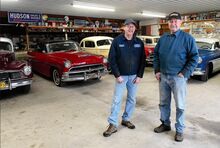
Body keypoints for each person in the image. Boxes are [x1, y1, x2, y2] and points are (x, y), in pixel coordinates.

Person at [153, 12, 199, 142]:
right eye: (171, 21)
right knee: (163, 103)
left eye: (176, 21)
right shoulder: (163, 38)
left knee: (180, 105)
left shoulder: (187, 38)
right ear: (168, 23)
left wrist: (185, 73)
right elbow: (156, 54)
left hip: (178, 78)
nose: (173, 23)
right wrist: (157, 70)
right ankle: (165, 124)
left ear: (180, 23)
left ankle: (179, 130)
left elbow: (194, 57)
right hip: (163, 77)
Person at [103, 18, 146, 137]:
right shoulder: (117, 41)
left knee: (132, 99)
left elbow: (143, 60)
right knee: (117, 100)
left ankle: (126, 119)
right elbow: (112, 59)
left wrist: (139, 75)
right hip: (121, 76)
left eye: (133, 26)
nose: (130, 28)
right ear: (124, 28)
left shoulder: (139, 42)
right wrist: (117, 75)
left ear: (135, 28)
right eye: (128, 26)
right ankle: (113, 124)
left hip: (134, 77)